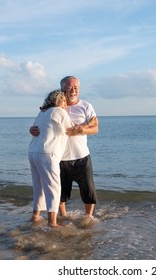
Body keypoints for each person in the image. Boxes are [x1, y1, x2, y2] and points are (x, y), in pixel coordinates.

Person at [30, 76, 99, 219]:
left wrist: (84, 130)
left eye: (76, 87)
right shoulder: (55, 109)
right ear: (62, 89)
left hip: (82, 156)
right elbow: (62, 129)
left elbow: (95, 128)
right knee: (61, 192)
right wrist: (31, 130)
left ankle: (88, 218)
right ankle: (63, 217)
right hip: (60, 157)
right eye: (69, 87)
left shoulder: (86, 106)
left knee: (88, 190)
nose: (73, 90)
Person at [28, 89, 73, 227]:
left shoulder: (42, 112)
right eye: (64, 100)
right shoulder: (59, 111)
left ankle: (36, 215)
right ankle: (52, 222)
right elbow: (71, 129)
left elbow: (34, 130)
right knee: (53, 187)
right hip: (48, 153)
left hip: (33, 151)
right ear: (58, 100)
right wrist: (88, 125)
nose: (65, 103)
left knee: (38, 185)